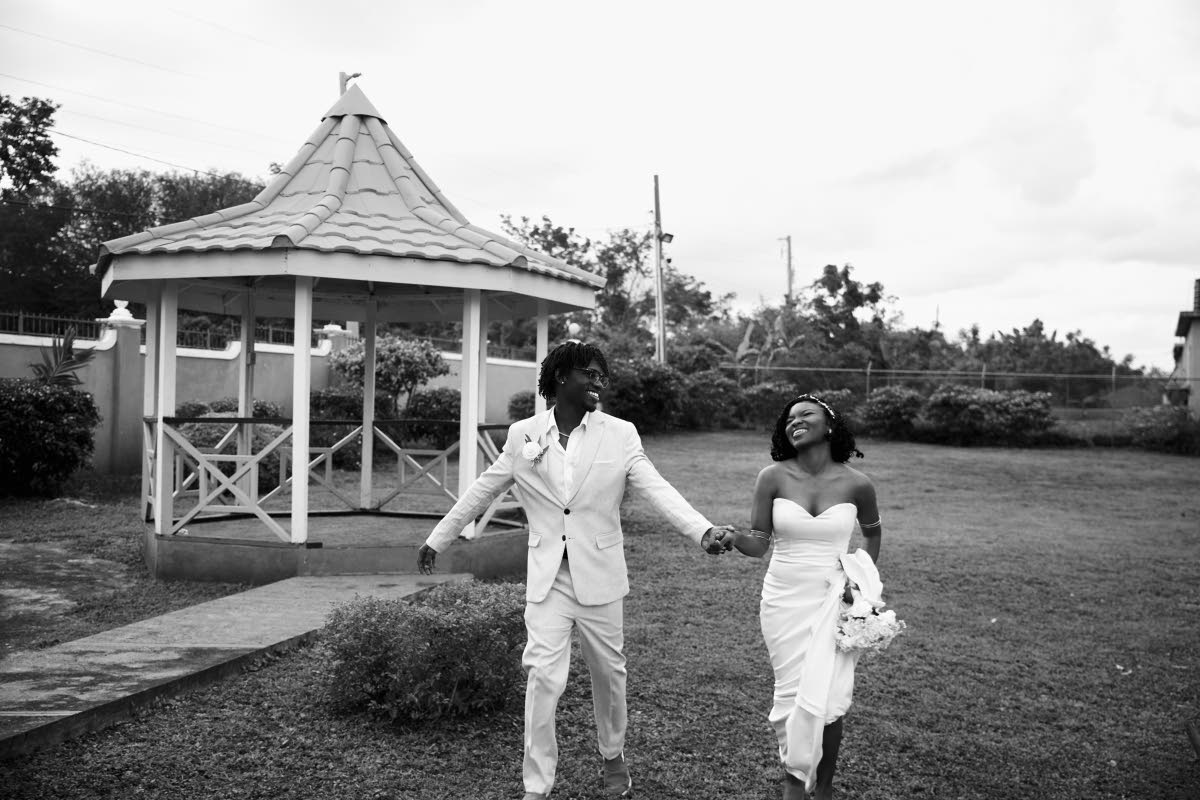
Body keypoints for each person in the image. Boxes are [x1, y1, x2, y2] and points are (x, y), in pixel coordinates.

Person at [417, 341, 735, 800]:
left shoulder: (620, 433)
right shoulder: (523, 435)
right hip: (549, 577)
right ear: (561, 377)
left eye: (602, 375)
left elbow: (656, 486)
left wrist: (701, 530)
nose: (598, 382)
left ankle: (612, 755)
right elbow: (484, 488)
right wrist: (438, 537)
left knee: (609, 672)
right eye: (589, 373)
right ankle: (537, 785)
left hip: (601, 575)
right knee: (543, 677)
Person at [717, 394, 883, 800]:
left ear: (829, 425)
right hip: (783, 600)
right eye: (789, 419)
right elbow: (759, 544)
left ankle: (822, 789)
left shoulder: (857, 484)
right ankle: (795, 782)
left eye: (805, 414)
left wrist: (859, 579)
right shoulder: (771, 477)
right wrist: (733, 536)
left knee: (828, 698)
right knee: (792, 693)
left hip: (833, 600)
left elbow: (873, 534)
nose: (795, 422)